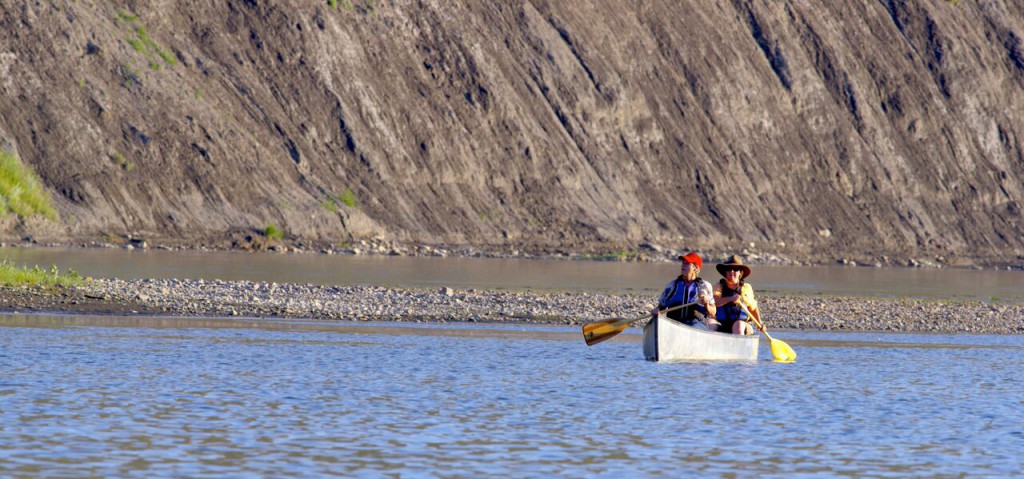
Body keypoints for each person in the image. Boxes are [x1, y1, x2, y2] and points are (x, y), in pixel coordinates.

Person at [651, 252, 716, 328]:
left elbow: (713, 312)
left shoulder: (705, 286)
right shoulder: (672, 285)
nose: (683, 265)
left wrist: (706, 305)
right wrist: (656, 311)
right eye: (683, 263)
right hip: (673, 323)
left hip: (696, 324)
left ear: (696, 268)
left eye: (687, 263)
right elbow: (660, 307)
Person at [713, 255, 758, 335]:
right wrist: (730, 299)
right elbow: (713, 302)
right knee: (710, 323)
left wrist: (760, 323)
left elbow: (753, 308)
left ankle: (738, 345)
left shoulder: (746, 287)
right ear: (725, 272)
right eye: (729, 269)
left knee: (738, 325)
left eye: (735, 269)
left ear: (740, 272)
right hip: (722, 323)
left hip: (742, 324)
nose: (732, 271)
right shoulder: (718, 286)